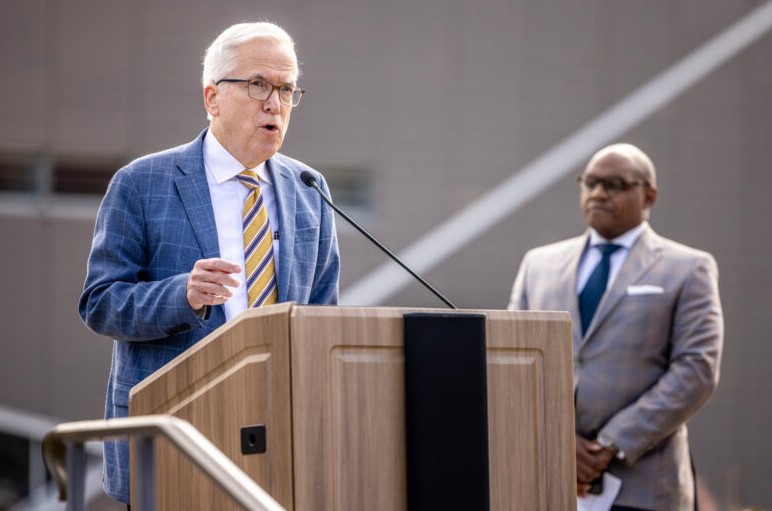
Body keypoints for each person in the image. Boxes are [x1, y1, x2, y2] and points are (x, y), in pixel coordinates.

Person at [79, 21, 340, 505]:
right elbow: (100, 303)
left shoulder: (309, 189)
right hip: (175, 431)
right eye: (258, 84)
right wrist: (182, 295)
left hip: (280, 435)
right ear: (213, 97)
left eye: (286, 89)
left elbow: (323, 315)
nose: (274, 103)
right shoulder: (142, 182)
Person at [508, 143, 723, 511]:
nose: (598, 193)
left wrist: (609, 444)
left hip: (643, 485)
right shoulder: (538, 265)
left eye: (615, 185)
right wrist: (558, 439)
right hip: (546, 478)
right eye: (590, 183)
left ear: (649, 195)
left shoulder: (688, 268)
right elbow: (511, 362)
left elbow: (696, 370)